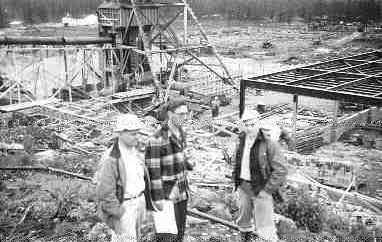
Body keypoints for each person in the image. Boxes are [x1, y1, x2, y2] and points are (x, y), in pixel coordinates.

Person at [96, 114, 153, 242]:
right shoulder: (111, 158)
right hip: (125, 206)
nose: (137, 137)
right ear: (120, 134)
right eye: (133, 134)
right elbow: (105, 192)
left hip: (139, 202)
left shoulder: (135, 151)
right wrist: (118, 213)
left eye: (138, 133)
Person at [233, 110, 288, 242]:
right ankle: (245, 238)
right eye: (247, 125)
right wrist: (236, 180)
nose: (250, 128)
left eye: (253, 124)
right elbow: (237, 161)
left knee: (265, 226)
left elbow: (281, 170)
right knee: (243, 219)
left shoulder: (269, 143)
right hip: (244, 186)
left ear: (258, 124)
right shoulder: (241, 140)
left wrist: (267, 190)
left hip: (261, 189)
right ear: (243, 125)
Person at [145, 97, 193, 242]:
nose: (184, 117)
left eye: (186, 113)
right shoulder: (156, 139)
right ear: (170, 114)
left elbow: (181, 154)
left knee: (180, 231)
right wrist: (158, 200)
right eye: (181, 114)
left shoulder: (181, 132)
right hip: (167, 195)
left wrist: (188, 163)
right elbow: (153, 173)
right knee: (167, 236)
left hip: (182, 190)